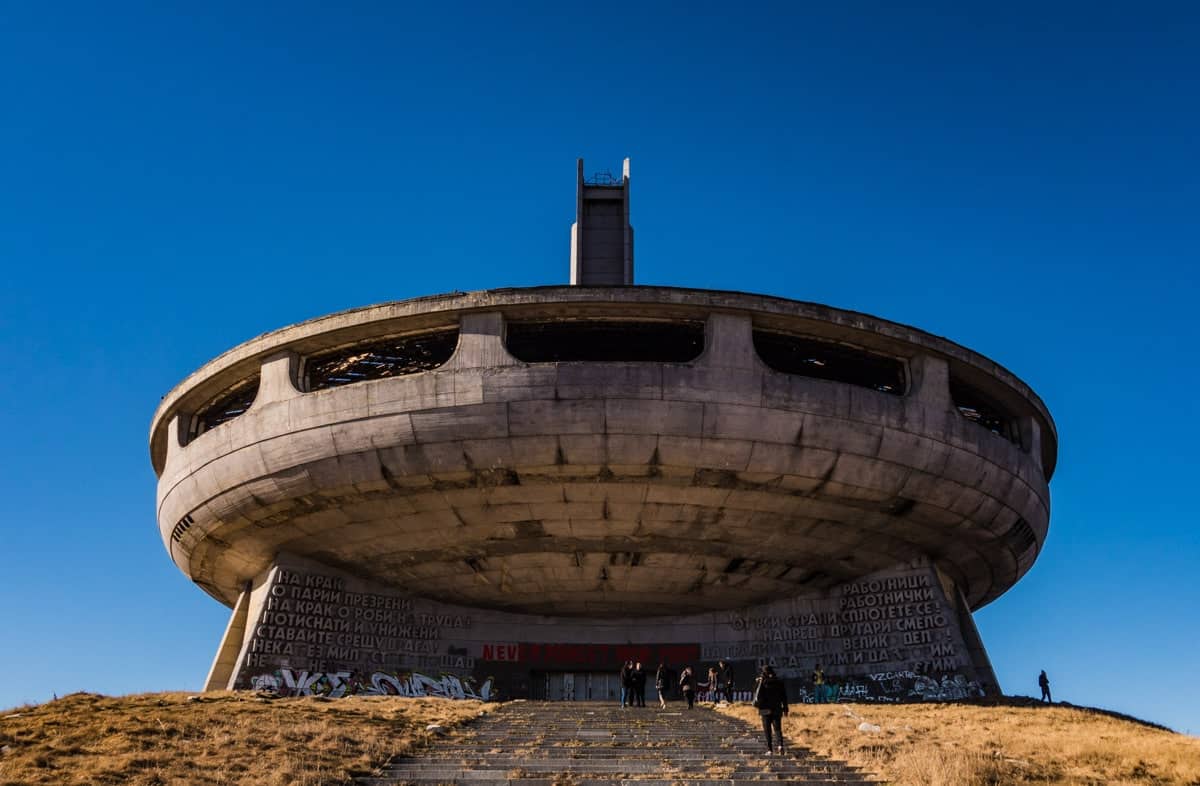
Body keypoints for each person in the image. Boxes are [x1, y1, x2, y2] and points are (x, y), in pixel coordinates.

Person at [752, 664, 789, 755]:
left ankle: (770, 750)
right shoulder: (779, 682)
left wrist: (758, 681)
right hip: (777, 708)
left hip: (764, 709)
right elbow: (784, 696)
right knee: (777, 729)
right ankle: (780, 745)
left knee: (767, 730)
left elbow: (755, 692)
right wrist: (785, 708)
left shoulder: (762, 682)